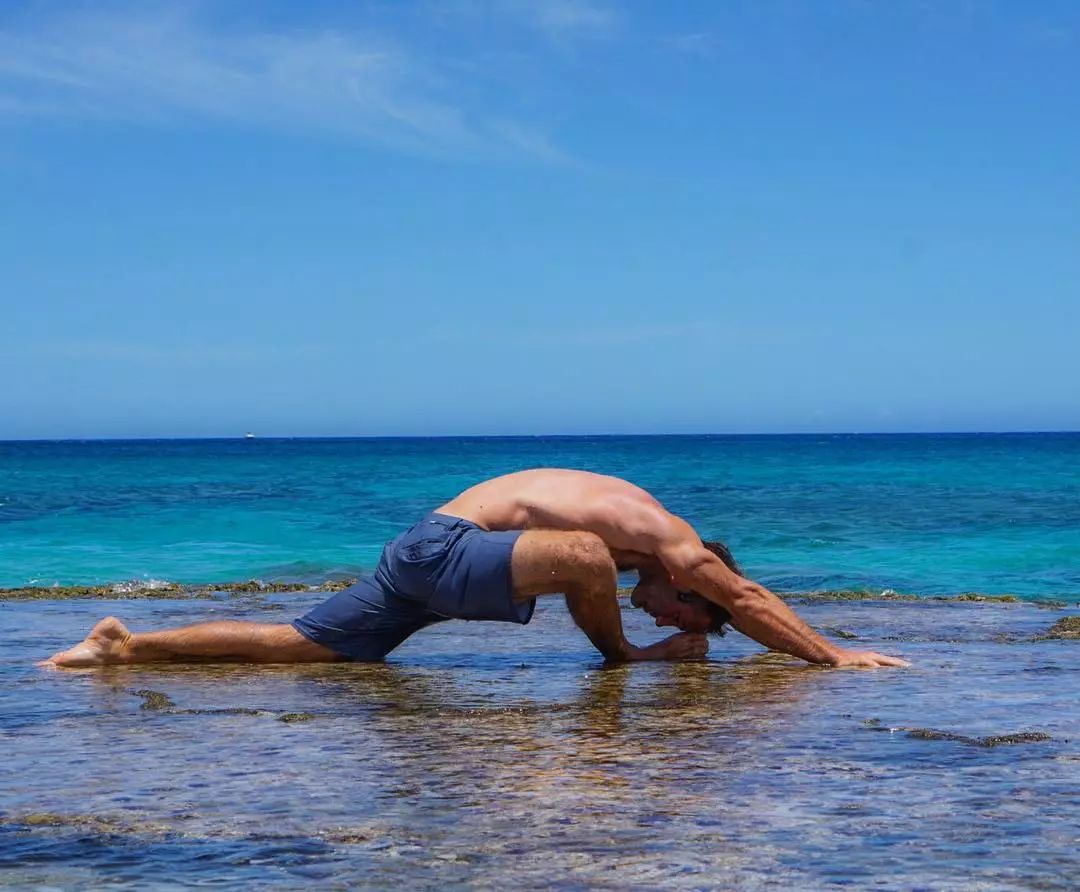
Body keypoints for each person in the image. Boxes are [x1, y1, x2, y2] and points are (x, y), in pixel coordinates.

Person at [40, 469, 908, 669]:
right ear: (691, 579)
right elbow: (747, 598)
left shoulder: (643, 550)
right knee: (585, 557)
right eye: (684, 614)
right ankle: (616, 670)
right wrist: (833, 657)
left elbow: (734, 604)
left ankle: (122, 646)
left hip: (426, 560)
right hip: (446, 548)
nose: (666, 617)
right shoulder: (664, 537)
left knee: (299, 647)